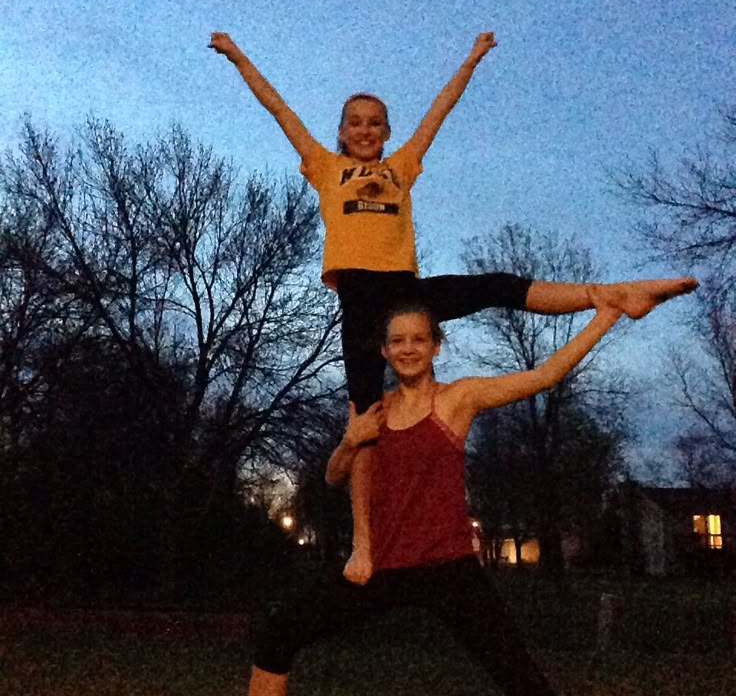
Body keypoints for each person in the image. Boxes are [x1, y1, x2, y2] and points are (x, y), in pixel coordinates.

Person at [209, 30, 699, 583]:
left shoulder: (403, 166)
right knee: (364, 422)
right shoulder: (324, 167)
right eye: (356, 122)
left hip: (407, 294)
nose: (366, 129)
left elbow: (442, 107)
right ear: (341, 133)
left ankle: (606, 294)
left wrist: (470, 60)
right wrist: (238, 56)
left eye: (376, 122)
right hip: (361, 303)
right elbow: (277, 107)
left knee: (494, 284)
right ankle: (363, 546)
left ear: (388, 133)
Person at [247, 287, 674, 696]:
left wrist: (607, 315)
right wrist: (350, 440)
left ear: (436, 346)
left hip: (449, 570)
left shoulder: (458, 398)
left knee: (522, 681)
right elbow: (332, 477)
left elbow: (544, 375)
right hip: (383, 568)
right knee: (277, 633)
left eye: (419, 339)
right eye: (397, 341)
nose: (408, 348)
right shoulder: (375, 409)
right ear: (384, 350)